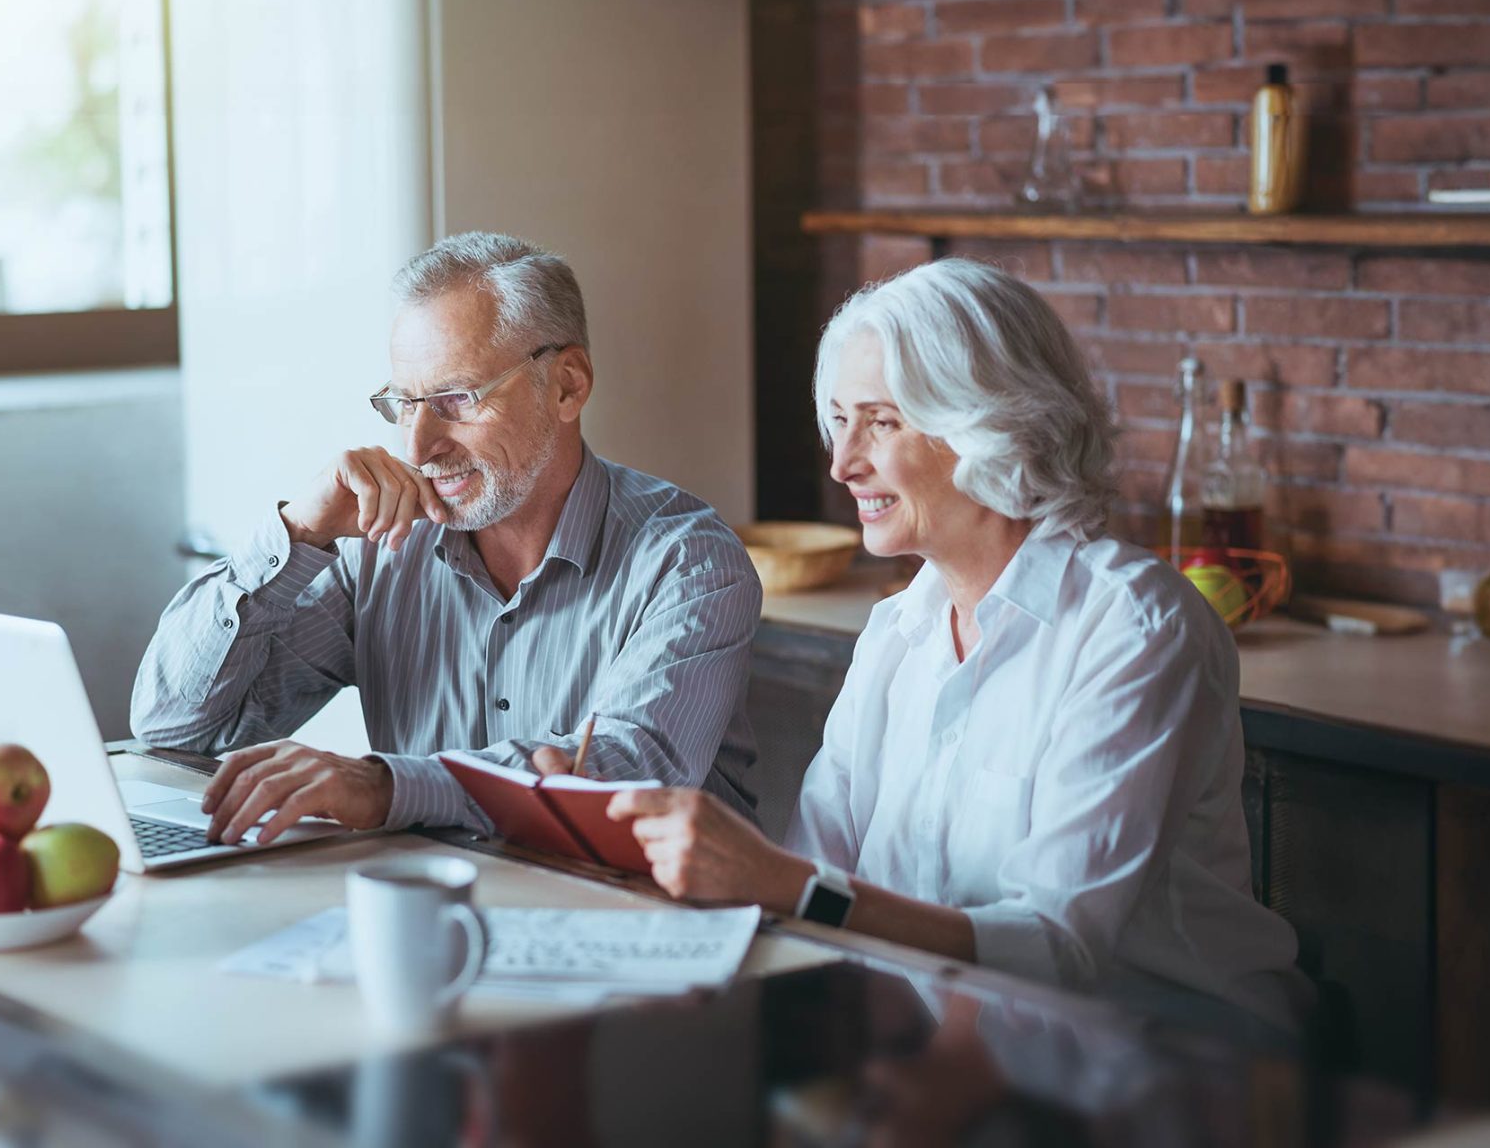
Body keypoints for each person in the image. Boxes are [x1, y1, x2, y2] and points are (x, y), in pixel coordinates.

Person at [537, 257, 1310, 1032]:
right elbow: (816, 876)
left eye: (882, 421)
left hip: (1171, 1071)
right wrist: (610, 834)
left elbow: (1057, 948)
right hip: (951, 1059)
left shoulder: (1136, 629)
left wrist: (781, 883)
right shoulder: (897, 633)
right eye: (840, 421)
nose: (843, 463)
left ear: (991, 423)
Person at [131, 232, 759, 844]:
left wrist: (383, 788)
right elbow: (173, 727)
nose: (418, 446)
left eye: (456, 398)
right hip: (442, 921)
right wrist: (298, 531)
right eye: (405, 403)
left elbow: (621, 782)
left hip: (638, 928)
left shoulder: (688, 560)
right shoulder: (379, 551)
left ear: (568, 384)